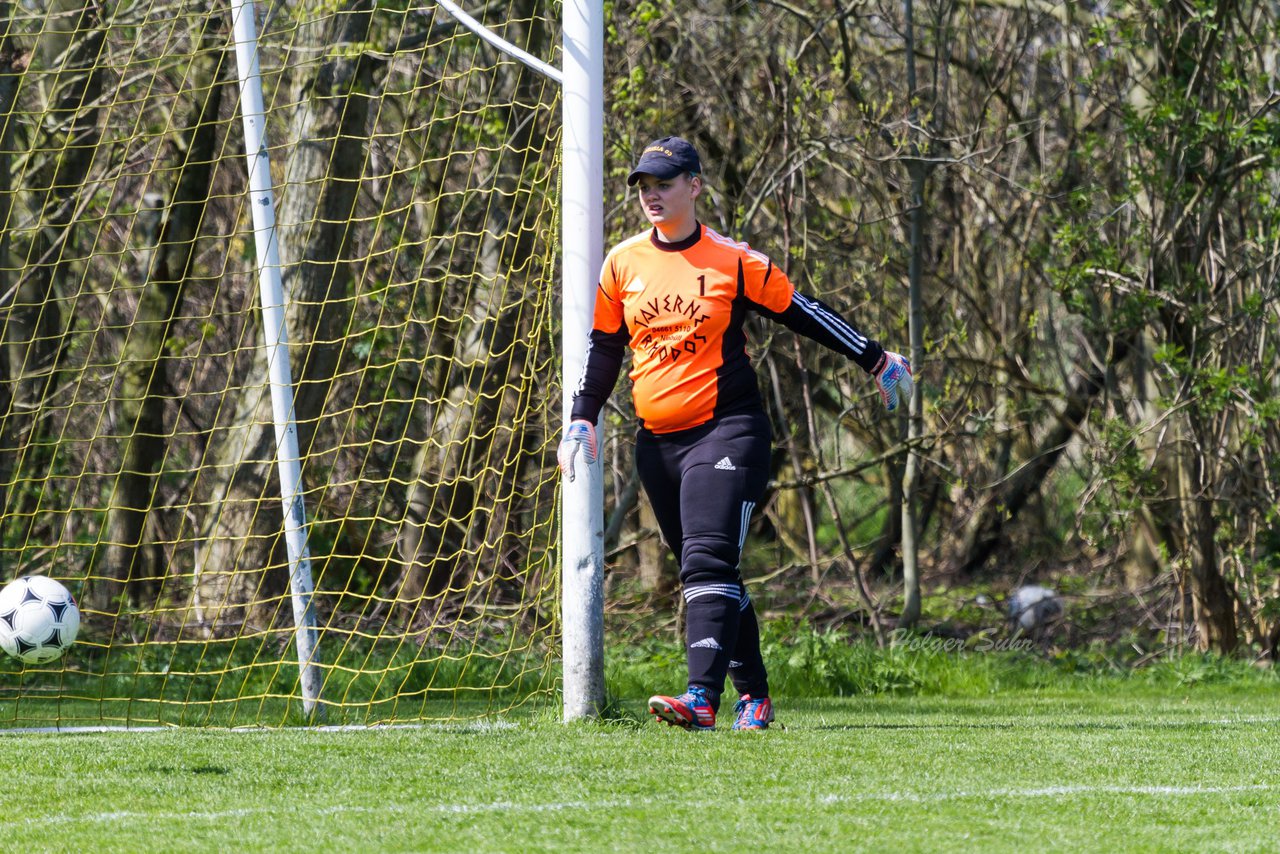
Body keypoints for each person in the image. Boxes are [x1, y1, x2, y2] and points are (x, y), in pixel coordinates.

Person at [558, 135, 912, 732]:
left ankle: (701, 699)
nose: (652, 194)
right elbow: (605, 348)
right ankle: (756, 695)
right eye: (644, 185)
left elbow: (807, 311)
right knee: (712, 572)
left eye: (664, 183)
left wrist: (876, 359)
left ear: (695, 185)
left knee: (706, 561)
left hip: (728, 431)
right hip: (657, 444)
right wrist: (582, 415)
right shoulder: (622, 264)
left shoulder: (734, 262)